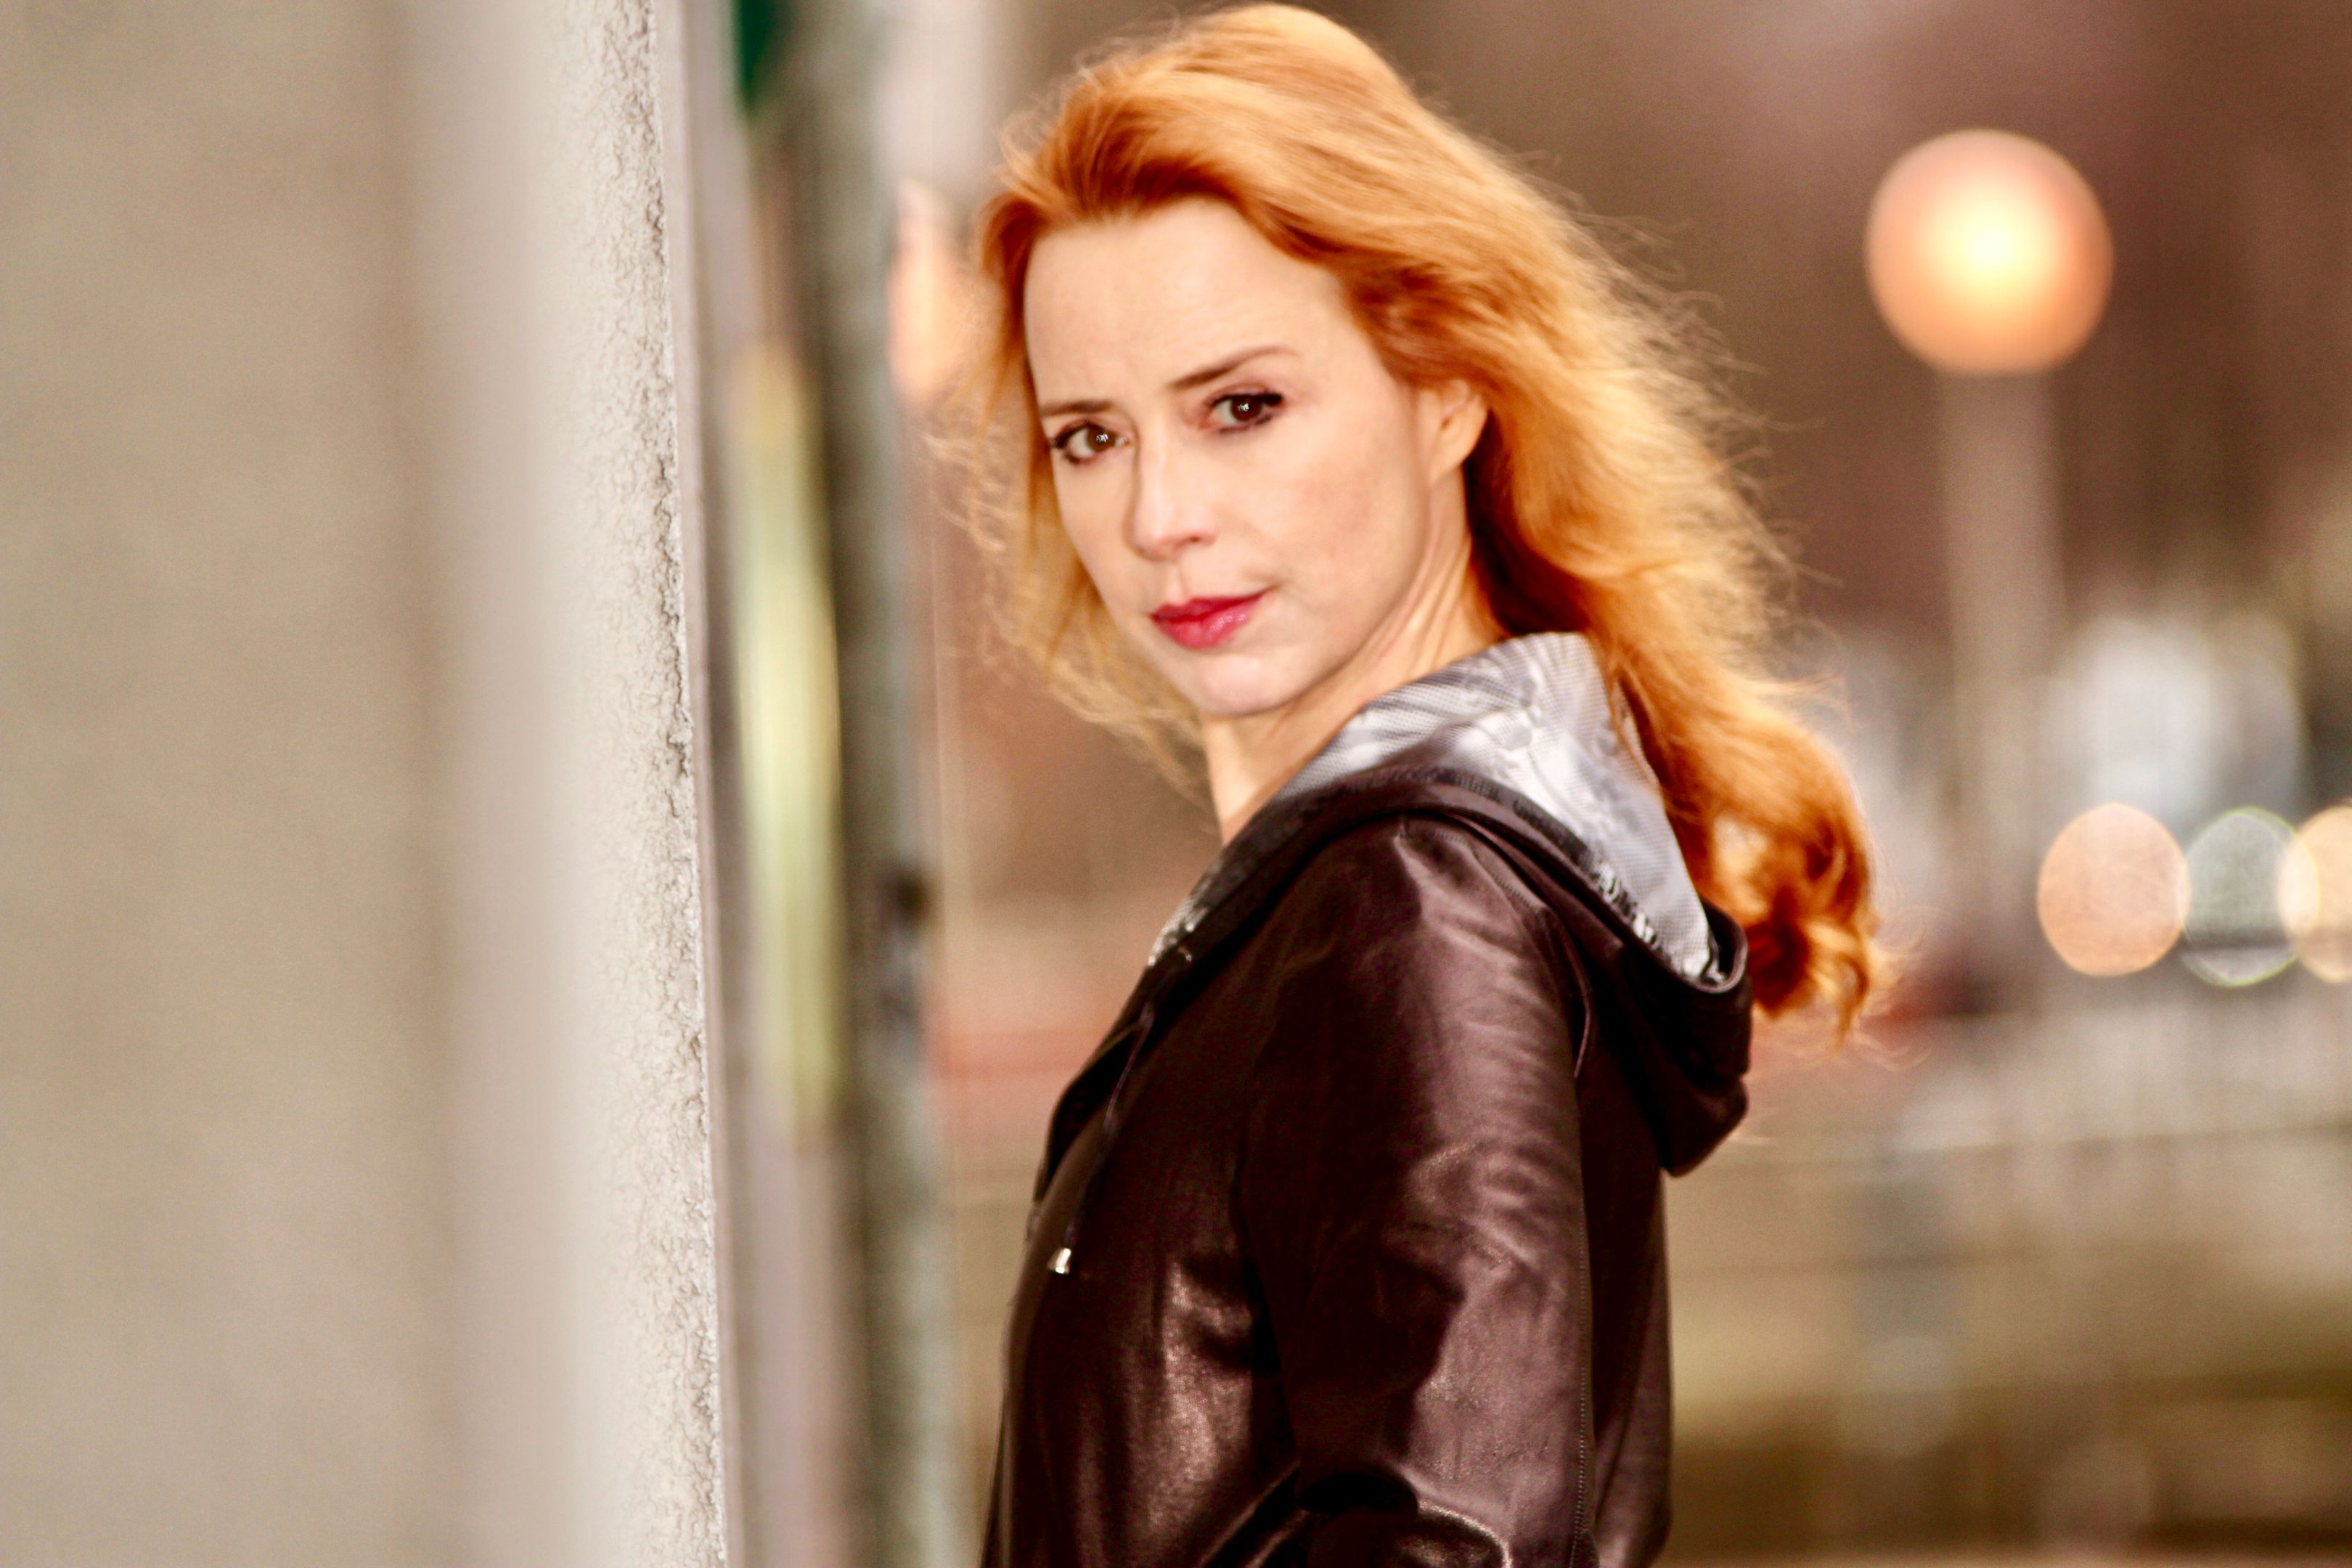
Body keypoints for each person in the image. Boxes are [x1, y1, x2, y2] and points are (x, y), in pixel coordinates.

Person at [953, 7, 1884, 1564]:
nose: (1159, 515)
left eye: (1241, 407)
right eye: (1092, 437)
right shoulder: (1390, 883)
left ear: (1447, 386)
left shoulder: (1412, 906)